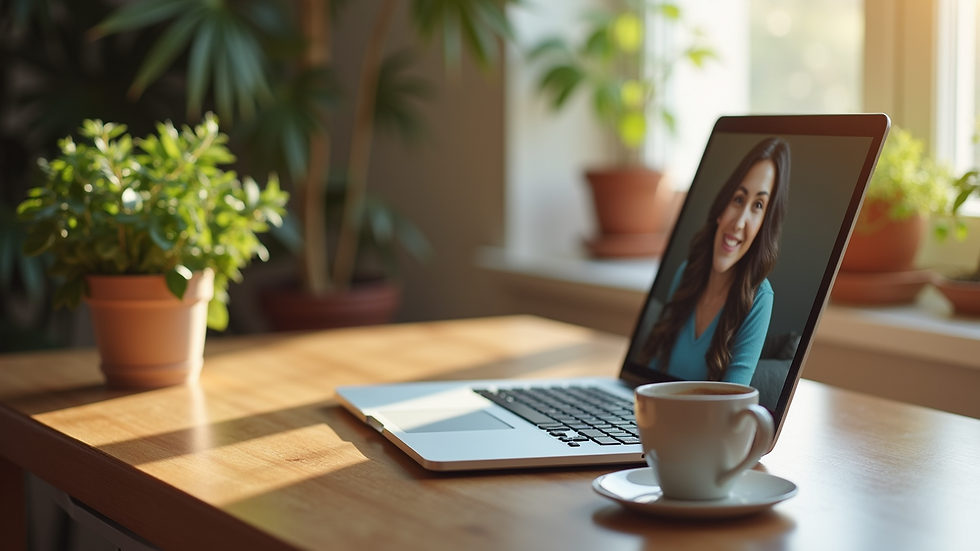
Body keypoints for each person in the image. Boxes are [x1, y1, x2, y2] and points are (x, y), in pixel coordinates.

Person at [638, 137, 790, 384]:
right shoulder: (687, 272)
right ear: (722, 207)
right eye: (738, 199)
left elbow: (731, 402)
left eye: (758, 205)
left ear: (764, 225)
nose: (739, 222)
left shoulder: (759, 298)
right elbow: (651, 373)